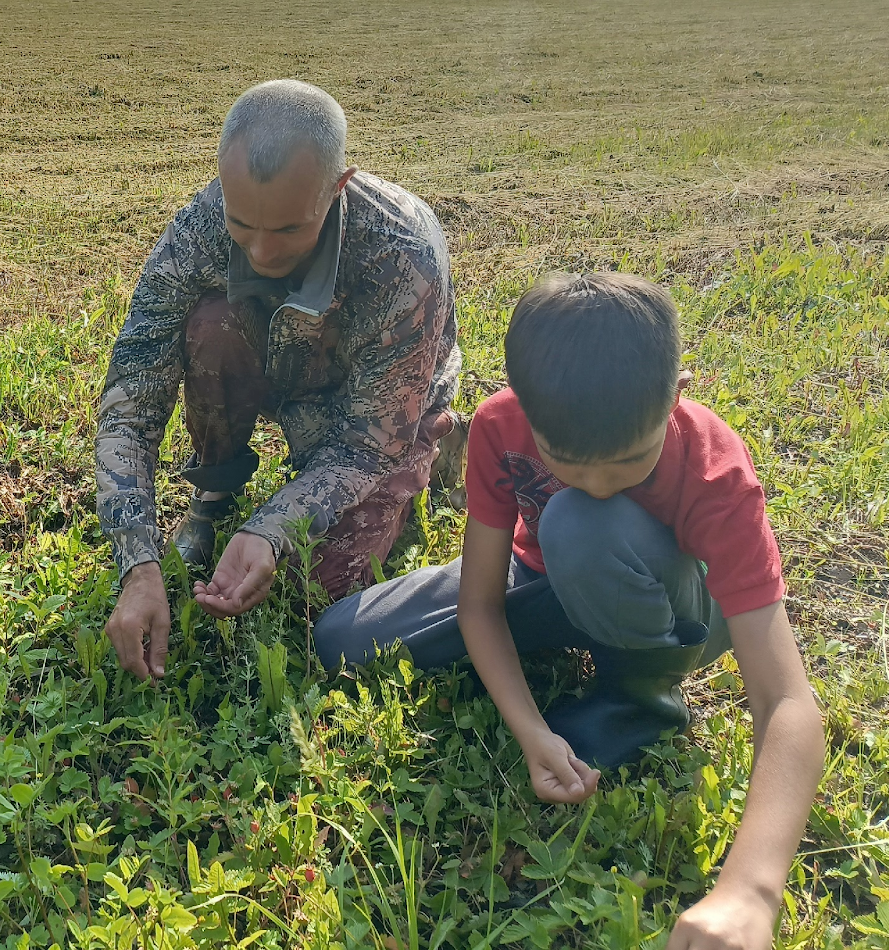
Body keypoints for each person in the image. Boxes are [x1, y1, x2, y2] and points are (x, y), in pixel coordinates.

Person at [315, 273, 823, 949]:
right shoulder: (501, 425)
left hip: (675, 607)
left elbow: (786, 699)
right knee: (344, 639)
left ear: (677, 394)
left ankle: (641, 696)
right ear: (524, 406)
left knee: (581, 521)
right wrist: (530, 730)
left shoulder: (714, 470)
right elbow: (480, 605)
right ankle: (581, 640)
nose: (600, 484)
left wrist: (750, 891)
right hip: (548, 572)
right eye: (569, 464)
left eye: (630, 462)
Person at [98, 79, 463, 680]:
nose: (263, 252)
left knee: (314, 585)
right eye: (242, 224)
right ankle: (214, 495)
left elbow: (368, 444)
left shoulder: (402, 254)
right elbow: (130, 397)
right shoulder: (199, 226)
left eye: (290, 230)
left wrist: (273, 529)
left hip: (381, 409)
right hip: (280, 357)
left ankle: (438, 441)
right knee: (210, 325)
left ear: (337, 188)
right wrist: (137, 562)